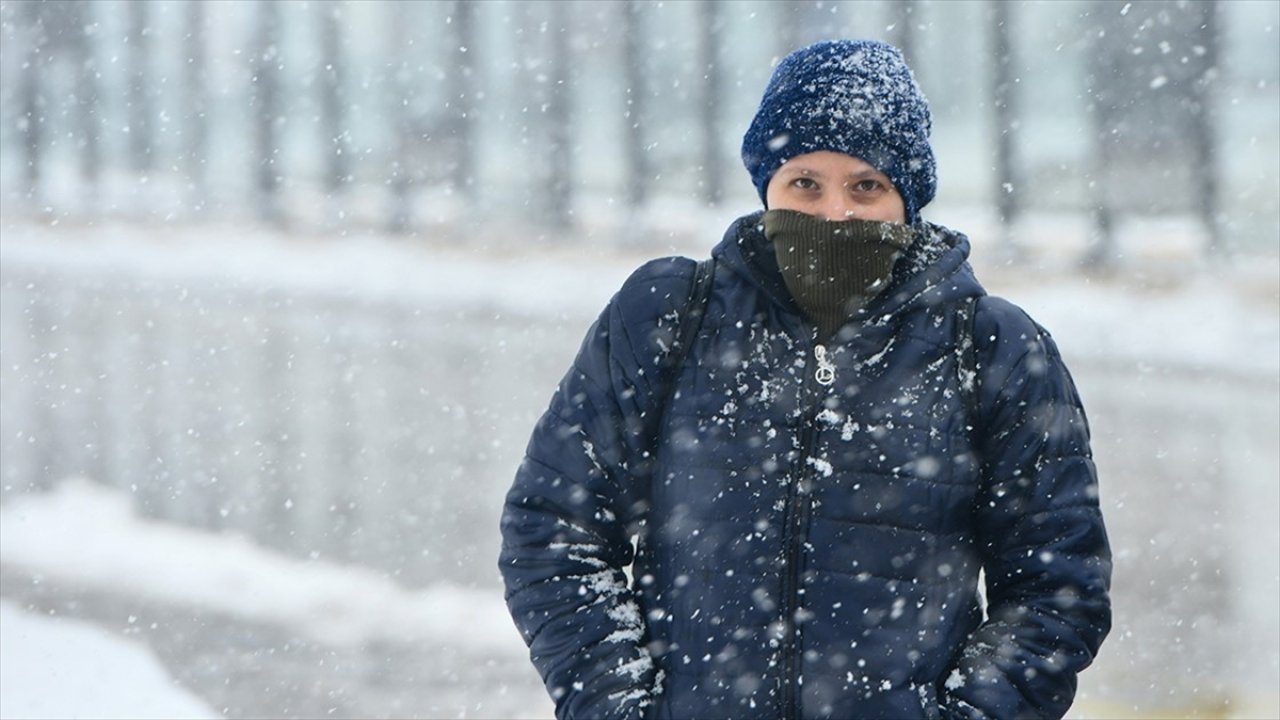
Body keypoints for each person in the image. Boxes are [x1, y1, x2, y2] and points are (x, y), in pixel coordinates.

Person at [499, 39, 1111, 720]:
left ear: (908, 196)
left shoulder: (992, 345)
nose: (834, 215)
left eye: (867, 186)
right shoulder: (670, 315)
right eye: (805, 184)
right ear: (767, 184)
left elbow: (1056, 589)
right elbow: (555, 532)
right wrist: (620, 707)